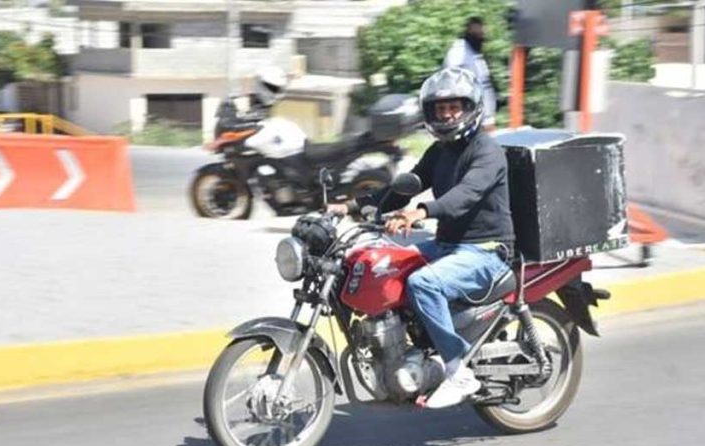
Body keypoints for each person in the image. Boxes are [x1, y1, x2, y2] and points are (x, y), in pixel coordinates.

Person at [327, 68, 515, 408]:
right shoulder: (440, 150)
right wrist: (351, 206)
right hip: (448, 245)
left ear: (470, 107)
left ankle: (458, 371)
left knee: (424, 283)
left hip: (487, 250)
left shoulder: (487, 152)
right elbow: (405, 186)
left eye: (454, 107)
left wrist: (421, 212)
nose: (446, 114)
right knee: (380, 262)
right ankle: (407, 350)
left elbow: (466, 195)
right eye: (440, 109)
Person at [443, 16, 498, 130]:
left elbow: (484, 86)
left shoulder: (476, 56)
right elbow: (452, 81)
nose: (480, 36)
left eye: (481, 33)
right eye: (476, 32)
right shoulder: (458, 52)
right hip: (467, 116)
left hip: (483, 117)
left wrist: (489, 117)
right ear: (468, 31)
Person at [213, 66, 289, 138]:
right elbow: (227, 125)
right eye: (272, 88)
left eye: (277, 89)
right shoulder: (244, 104)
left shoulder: (282, 108)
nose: (274, 92)